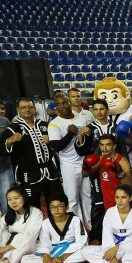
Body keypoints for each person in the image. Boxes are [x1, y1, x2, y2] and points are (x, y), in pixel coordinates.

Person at [0, 98, 62, 209]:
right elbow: (0, 151)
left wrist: (51, 140)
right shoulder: (13, 128)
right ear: (17, 109)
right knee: (31, 204)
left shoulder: (45, 125)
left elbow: (58, 146)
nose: (27, 109)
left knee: (56, 200)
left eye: (30, 107)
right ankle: (34, 225)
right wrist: (9, 141)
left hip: (49, 171)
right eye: (23, 107)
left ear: (34, 109)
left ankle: (53, 225)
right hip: (28, 173)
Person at [81, 185, 132, 263]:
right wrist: (112, 256)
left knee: (130, 246)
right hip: (112, 244)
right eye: (117, 197)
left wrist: (116, 248)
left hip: (128, 246)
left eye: (123, 197)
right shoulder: (110, 212)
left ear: (130, 198)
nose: (120, 201)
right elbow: (107, 234)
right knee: (85, 251)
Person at [21, 193, 88, 263]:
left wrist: (63, 257)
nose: (56, 210)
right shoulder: (46, 223)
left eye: (60, 206)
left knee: (85, 253)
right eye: (52, 207)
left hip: (71, 250)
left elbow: (81, 241)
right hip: (53, 249)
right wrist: (46, 255)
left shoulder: (75, 220)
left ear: (66, 207)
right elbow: (44, 242)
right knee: (24, 260)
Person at [48, 93, 91, 222]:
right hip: (68, 164)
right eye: (58, 105)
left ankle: (90, 227)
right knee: (72, 198)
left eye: (64, 103)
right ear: (56, 107)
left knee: (87, 196)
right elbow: (56, 146)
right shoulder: (54, 124)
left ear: (69, 103)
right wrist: (70, 134)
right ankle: (77, 228)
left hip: (83, 162)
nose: (62, 106)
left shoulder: (80, 118)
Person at [82, 134, 130, 242]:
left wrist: (119, 171)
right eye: (102, 145)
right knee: (103, 237)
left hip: (119, 204)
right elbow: (85, 174)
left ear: (114, 146)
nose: (104, 148)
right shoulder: (100, 159)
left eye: (108, 145)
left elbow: (128, 185)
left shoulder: (122, 161)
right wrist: (85, 165)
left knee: (120, 236)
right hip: (105, 204)